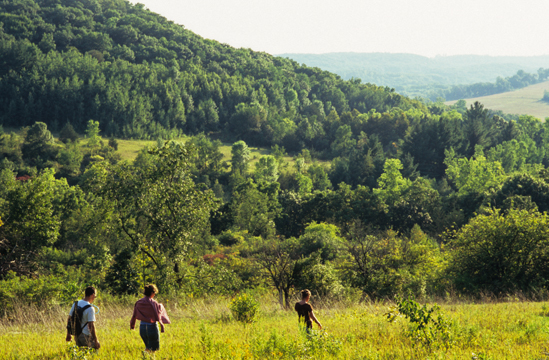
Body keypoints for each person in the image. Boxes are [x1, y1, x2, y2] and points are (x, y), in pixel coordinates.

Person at [130, 284, 171, 353]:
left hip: (142, 327)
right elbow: (157, 315)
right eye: (154, 293)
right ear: (152, 293)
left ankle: (146, 355)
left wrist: (132, 325)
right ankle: (146, 354)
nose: (154, 295)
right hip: (151, 327)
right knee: (154, 348)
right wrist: (162, 325)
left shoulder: (138, 302)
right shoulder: (153, 302)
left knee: (148, 346)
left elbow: (134, 315)